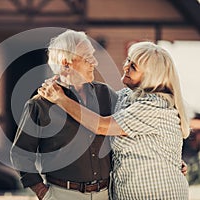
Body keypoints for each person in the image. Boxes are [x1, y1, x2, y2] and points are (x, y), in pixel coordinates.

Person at [38, 41, 190, 199]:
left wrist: (60, 99)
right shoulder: (126, 97)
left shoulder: (154, 106)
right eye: (128, 61)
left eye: (133, 67)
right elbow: (94, 106)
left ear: (150, 76)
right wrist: (63, 83)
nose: (125, 67)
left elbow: (101, 126)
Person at [10, 29, 118, 200]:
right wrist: (43, 193)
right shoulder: (39, 105)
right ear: (66, 63)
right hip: (62, 194)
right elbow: (21, 154)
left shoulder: (107, 95)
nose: (95, 62)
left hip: (105, 194)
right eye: (88, 57)